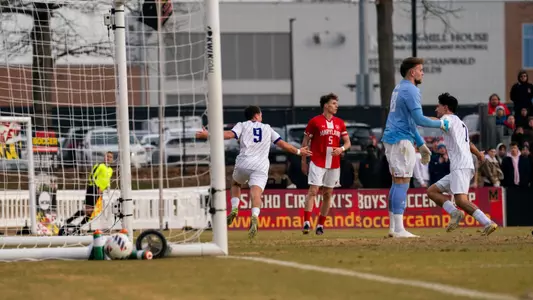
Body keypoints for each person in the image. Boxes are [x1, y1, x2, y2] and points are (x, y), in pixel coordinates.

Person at [196, 106, 311, 239]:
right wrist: (298, 151)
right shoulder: (267, 128)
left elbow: (228, 135)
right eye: (260, 115)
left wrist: (208, 134)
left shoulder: (242, 125)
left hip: (244, 162)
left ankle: (234, 208)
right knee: (256, 193)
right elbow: (283, 145)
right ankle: (255, 216)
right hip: (261, 166)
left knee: (235, 184)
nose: (261, 117)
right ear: (256, 116)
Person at [381, 57, 450, 238]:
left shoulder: (399, 87)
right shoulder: (411, 90)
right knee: (402, 182)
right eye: (420, 69)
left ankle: (393, 228)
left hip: (394, 138)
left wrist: (421, 144)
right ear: (412, 72)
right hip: (400, 140)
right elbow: (419, 120)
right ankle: (399, 229)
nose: (422, 73)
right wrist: (442, 124)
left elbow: (411, 122)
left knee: (397, 182)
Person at [426, 93, 498, 236]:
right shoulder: (460, 122)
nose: (436, 109)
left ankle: (488, 222)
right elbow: (469, 143)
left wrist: (417, 117)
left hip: (460, 165)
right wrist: (479, 155)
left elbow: (435, 121)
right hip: (462, 165)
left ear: (445, 107)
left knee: (461, 200)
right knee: (432, 191)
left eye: (438, 105)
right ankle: (455, 213)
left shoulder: (447, 119)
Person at [300, 93, 351, 235]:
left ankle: (320, 225)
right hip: (317, 161)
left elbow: (347, 143)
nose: (337, 106)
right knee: (313, 191)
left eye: (336, 103)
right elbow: (305, 143)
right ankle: (306, 222)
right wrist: (303, 161)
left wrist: (341, 149)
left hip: (334, 163)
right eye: (334, 103)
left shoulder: (340, 123)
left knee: (328, 193)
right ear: (326, 105)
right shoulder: (314, 121)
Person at [61, 151, 113, 235]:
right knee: (89, 211)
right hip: (92, 188)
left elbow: (106, 182)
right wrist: (97, 187)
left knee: (90, 213)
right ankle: (70, 222)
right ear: (104, 157)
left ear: (112, 159)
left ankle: (75, 226)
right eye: (107, 156)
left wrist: (104, 190)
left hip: (99, 192)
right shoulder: (99, 166)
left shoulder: (110, 170)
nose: (108, 158)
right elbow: (91, 177)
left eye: (110, 157)